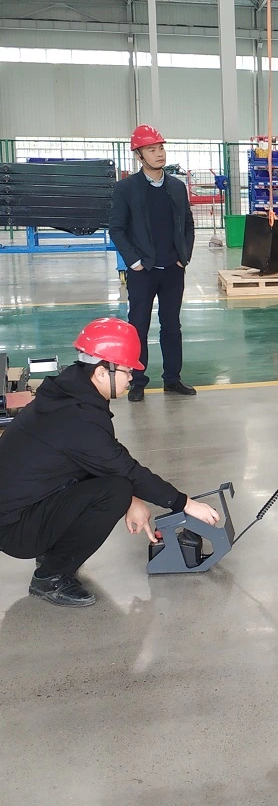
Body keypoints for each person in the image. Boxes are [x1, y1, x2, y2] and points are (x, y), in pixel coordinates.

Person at [0, 318, 220, 607]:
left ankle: (53, 551)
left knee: (118, 487)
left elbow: (100, 462)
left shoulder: (70, 395)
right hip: (15, 528)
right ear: (102, 372)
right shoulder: (78, 417)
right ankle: (50, 576)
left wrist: (134, 499)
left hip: (24, 508)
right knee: (114, 491)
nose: (132, 378)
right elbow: (124, 468)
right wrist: (185, 503)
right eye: (127, 370)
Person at [109, 124, 197, 402]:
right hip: (142, 271)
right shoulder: (126, 189)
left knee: (172, 325)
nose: (159, 154)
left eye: (160, 148)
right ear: (139, 155)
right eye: (151, 149)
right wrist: (133, 261)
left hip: (172, 269)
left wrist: (184, 258)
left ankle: (173, 379)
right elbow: (117, 229)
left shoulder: (177, 187)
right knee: (138, 326)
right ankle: (138, 381)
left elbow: (189, 225)